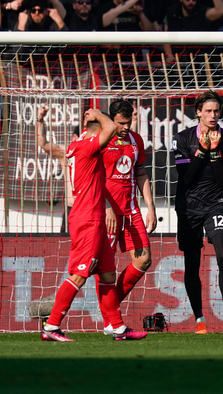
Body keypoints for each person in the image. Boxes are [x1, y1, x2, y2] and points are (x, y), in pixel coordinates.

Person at [41, 109, 147, 342]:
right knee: (79, 275)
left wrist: (40, 121)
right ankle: (52, 325)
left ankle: (117, 327)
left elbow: (43, 143)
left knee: (108, 275)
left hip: (94, 216)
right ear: (95, 134)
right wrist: (99, 113)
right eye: (104, 136)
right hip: (87, 217)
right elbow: (109, 129)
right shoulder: (88, 147)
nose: (109, 139)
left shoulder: (72, 147)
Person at [173, 91, 223, 334]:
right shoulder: (182, 138)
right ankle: (200, 319)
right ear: (198, 113)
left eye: (217, 111)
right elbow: (187, 177)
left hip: (215, 203)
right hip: (188, 206)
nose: (213, 115)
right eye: (209, 111)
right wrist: (202, 150)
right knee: (192, 264)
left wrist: (213, 151)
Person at [98, 99, 157, 335]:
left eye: (129, 122)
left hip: (131, 209)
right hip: (108, 210)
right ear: (112, 120)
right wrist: (105, 207)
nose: (126, 127)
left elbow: (141, 173)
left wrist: (150, 207)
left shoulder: (136, 140)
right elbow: (93, 175)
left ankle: (110, 311)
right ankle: (110, 321)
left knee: (144, 260)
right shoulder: (102, 139)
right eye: (121, 123)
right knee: (106, 267)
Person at [36, 104, 78, 235]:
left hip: (91, 209)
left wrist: (133, 123)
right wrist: (40, 120)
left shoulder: (96, 153)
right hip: (72, 208)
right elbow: (43, 144)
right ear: (74, 137)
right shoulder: (67, 153)